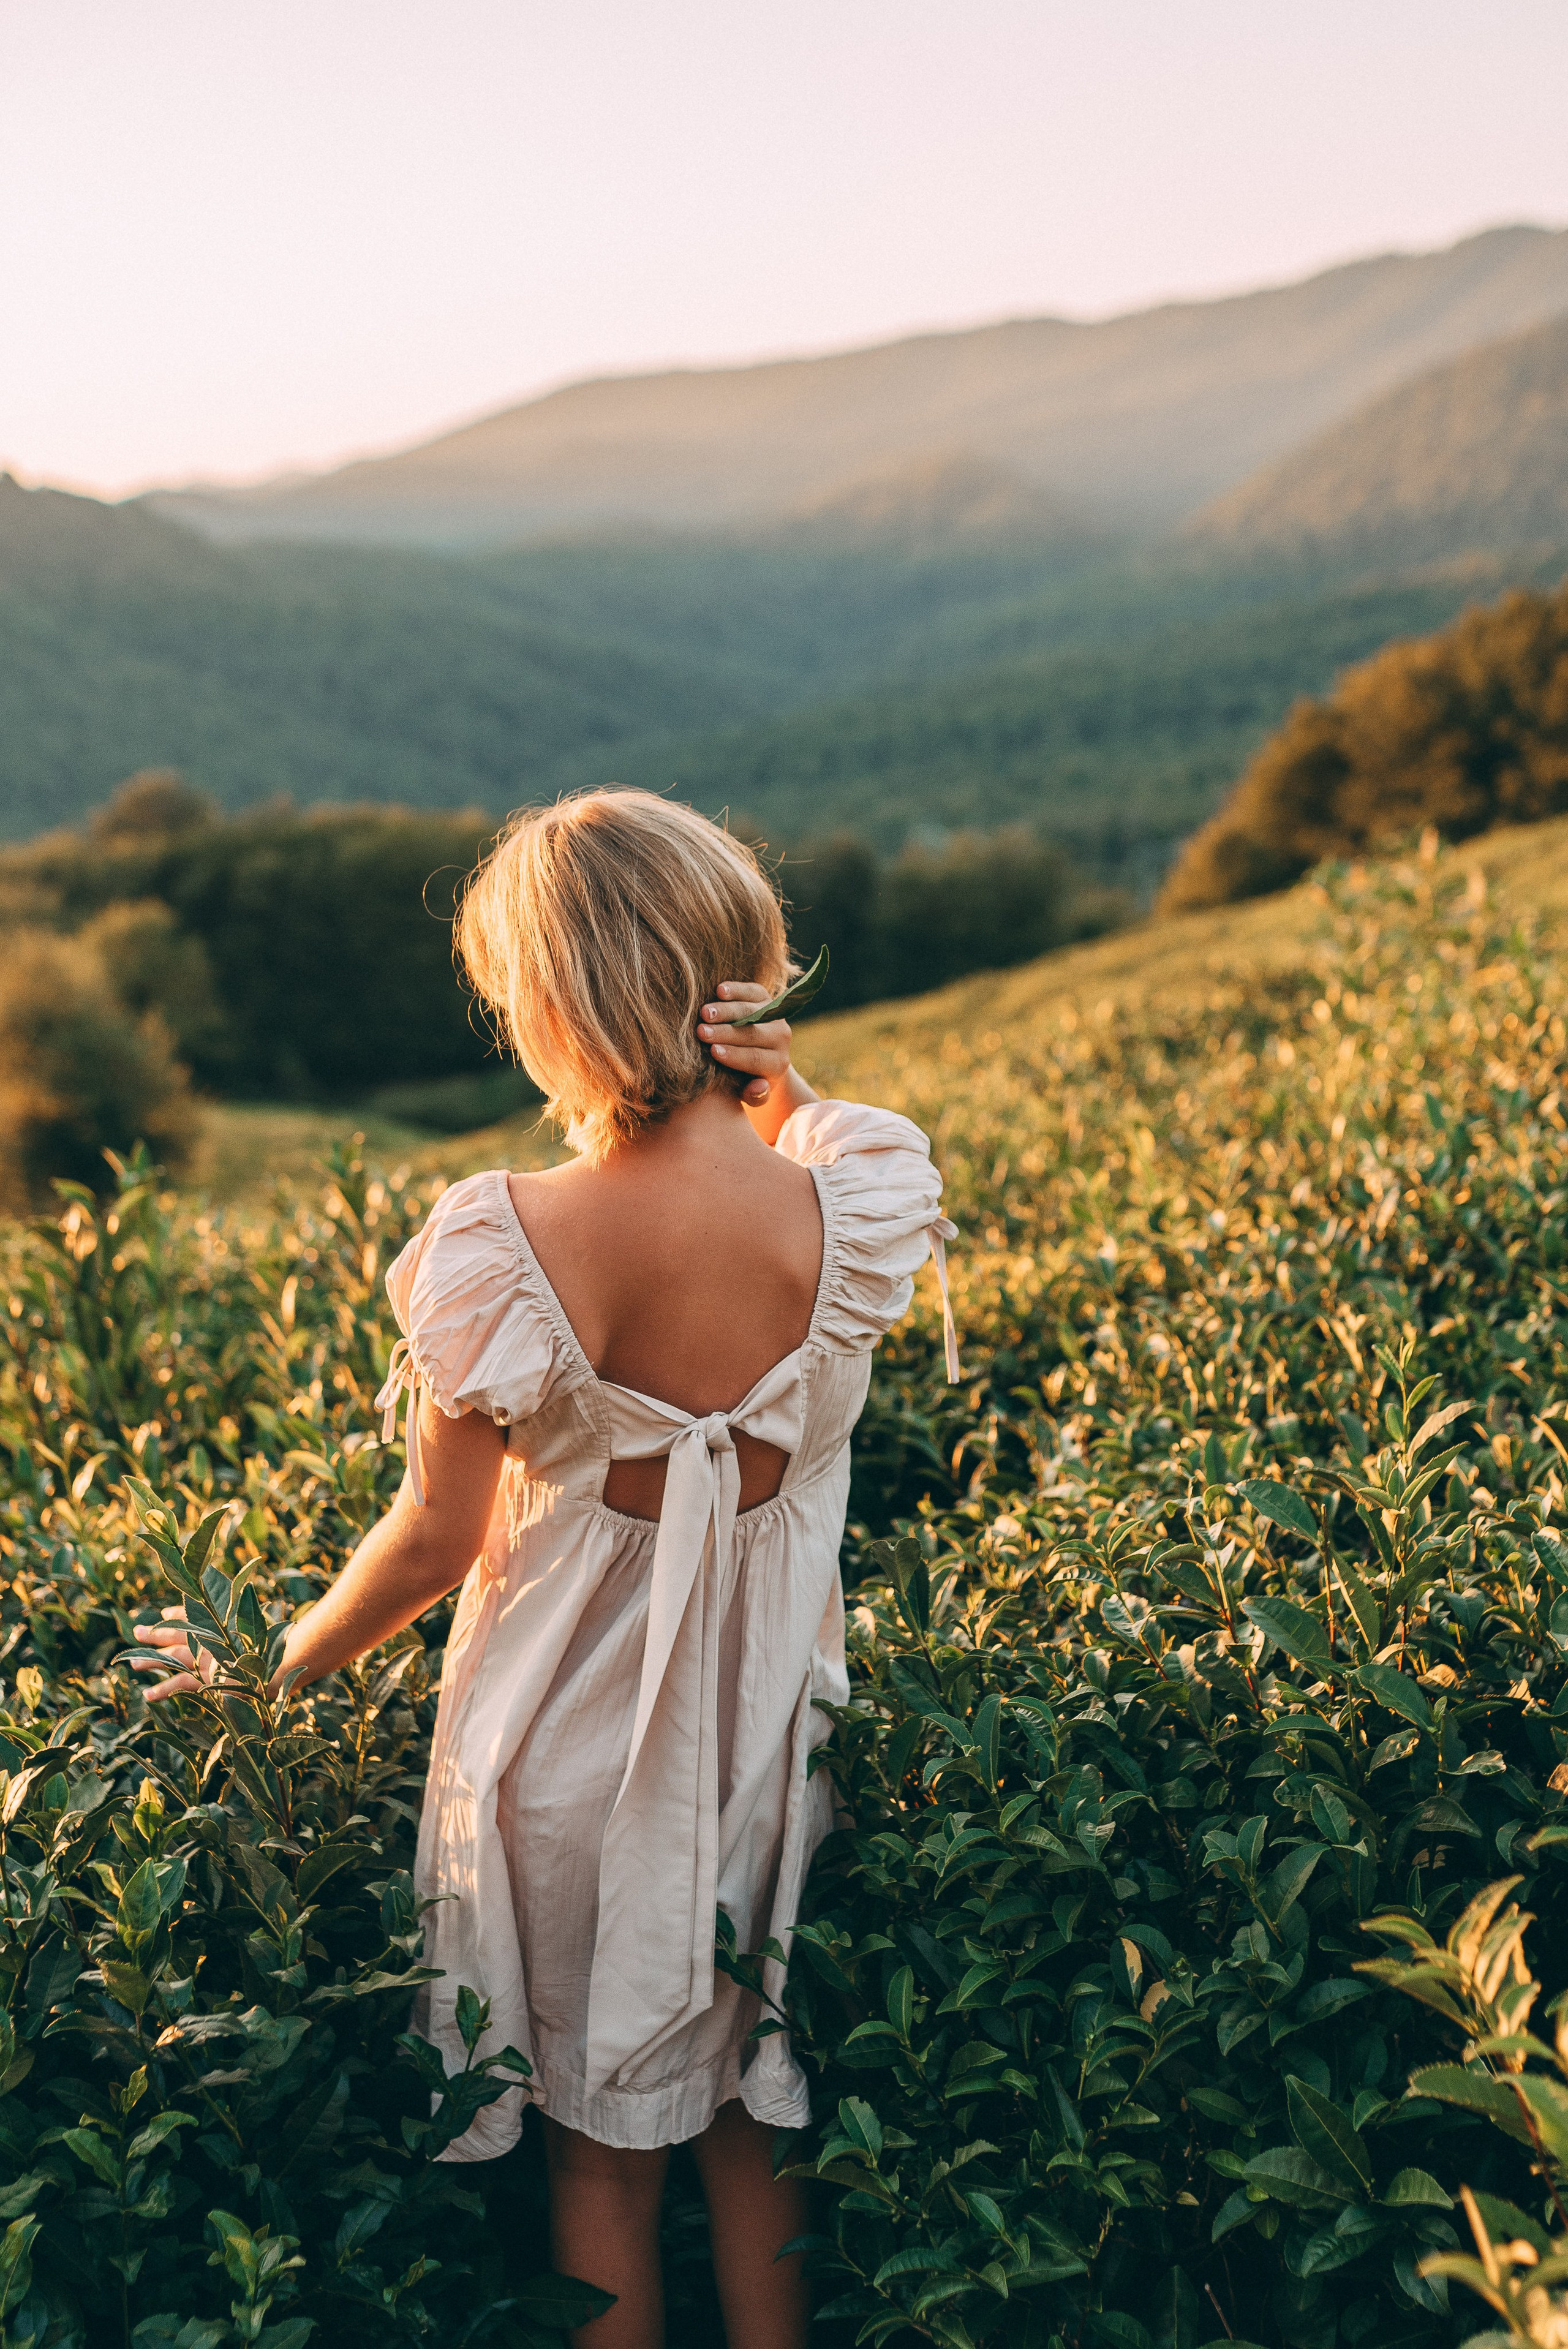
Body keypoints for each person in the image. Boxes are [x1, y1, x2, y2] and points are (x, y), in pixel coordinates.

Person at [135, 789, 957, 2349]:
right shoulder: (847, 1198)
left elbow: (435, 1540)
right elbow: (823, 1140)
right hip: (770, 1750)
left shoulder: (505, 1240)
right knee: (747, 2124)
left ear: (558, 1014)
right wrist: (781, 1097)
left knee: (601, 2161)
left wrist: (265, 1670)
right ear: (741, 978)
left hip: (572, 1775)